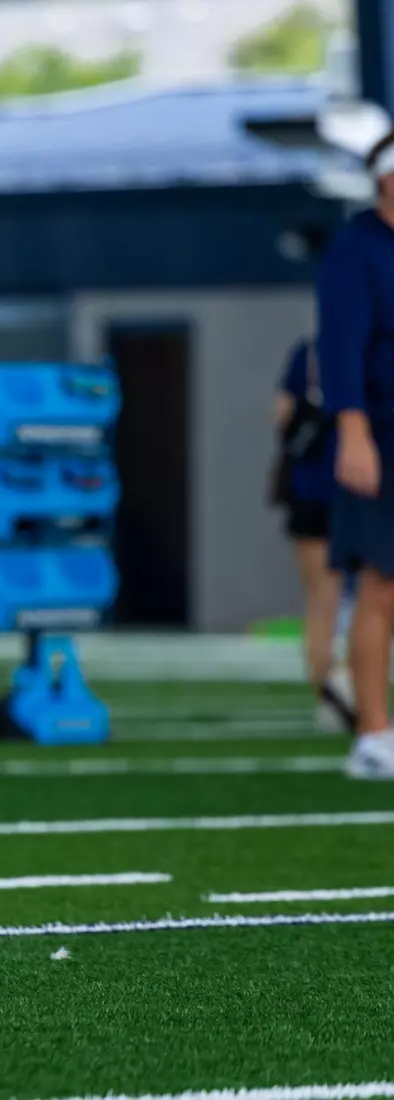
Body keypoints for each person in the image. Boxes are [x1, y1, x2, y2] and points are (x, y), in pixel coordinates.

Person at [316, 131, 394, 779]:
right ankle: (373, 734)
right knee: (382, 587)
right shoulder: (355, 250)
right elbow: (340, 347)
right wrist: (354, 432)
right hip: (381, 437)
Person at [270, 335, 356, 733]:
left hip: (310, 492)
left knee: (322, 600)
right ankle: (349, 687)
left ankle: (328, 696)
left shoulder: (308, 355)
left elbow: (281, 416)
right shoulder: (368, 348)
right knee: (371, 593)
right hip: (356, 488)